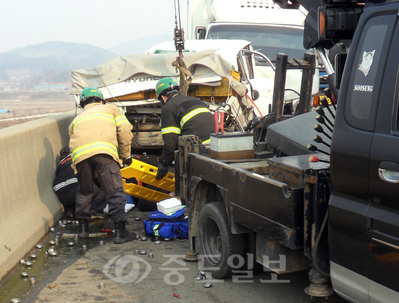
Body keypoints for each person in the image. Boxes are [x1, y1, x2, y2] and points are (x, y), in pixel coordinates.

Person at [68, 87, 135, 244]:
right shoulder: (110, 109)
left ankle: (83, 229)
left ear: (82, 104)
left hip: (80, 157)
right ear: (101, 100)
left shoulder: (75, 121)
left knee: (85, 191)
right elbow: (125, 129)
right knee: (115, 191)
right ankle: (120, 233)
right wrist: (125, 155)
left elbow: (73, 143)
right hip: (104, 153)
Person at [155, 77, 215, 180]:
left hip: (198, 150)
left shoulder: (168, 108)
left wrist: (163, 164)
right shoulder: (196, 101)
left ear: (163, 97)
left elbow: (171, 143)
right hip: (215, 146)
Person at [53, 146, 108, 219]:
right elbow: (95, 175)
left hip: (61, 194)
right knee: (104, 186)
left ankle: (70, 210)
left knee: (73, 190)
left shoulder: (60, 166)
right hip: (76, 191)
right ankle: (94, 211)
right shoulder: (80, 158)